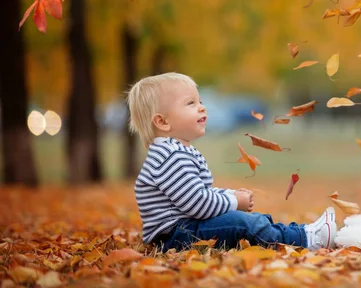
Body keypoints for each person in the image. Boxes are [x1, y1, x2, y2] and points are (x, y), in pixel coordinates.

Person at [127, 72, 336, 251]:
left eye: (200, 101)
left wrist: (229, 195)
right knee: (242, 223)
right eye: (191, 103)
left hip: (185, 228)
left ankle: (300, 232)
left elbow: (198, 194)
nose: (202, 108)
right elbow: (197, 204)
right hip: (176, 236)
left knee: (249, 220)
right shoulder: (170, 156)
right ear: (162, 122)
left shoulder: (176, 151)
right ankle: (306, 240)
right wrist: (235, 201)